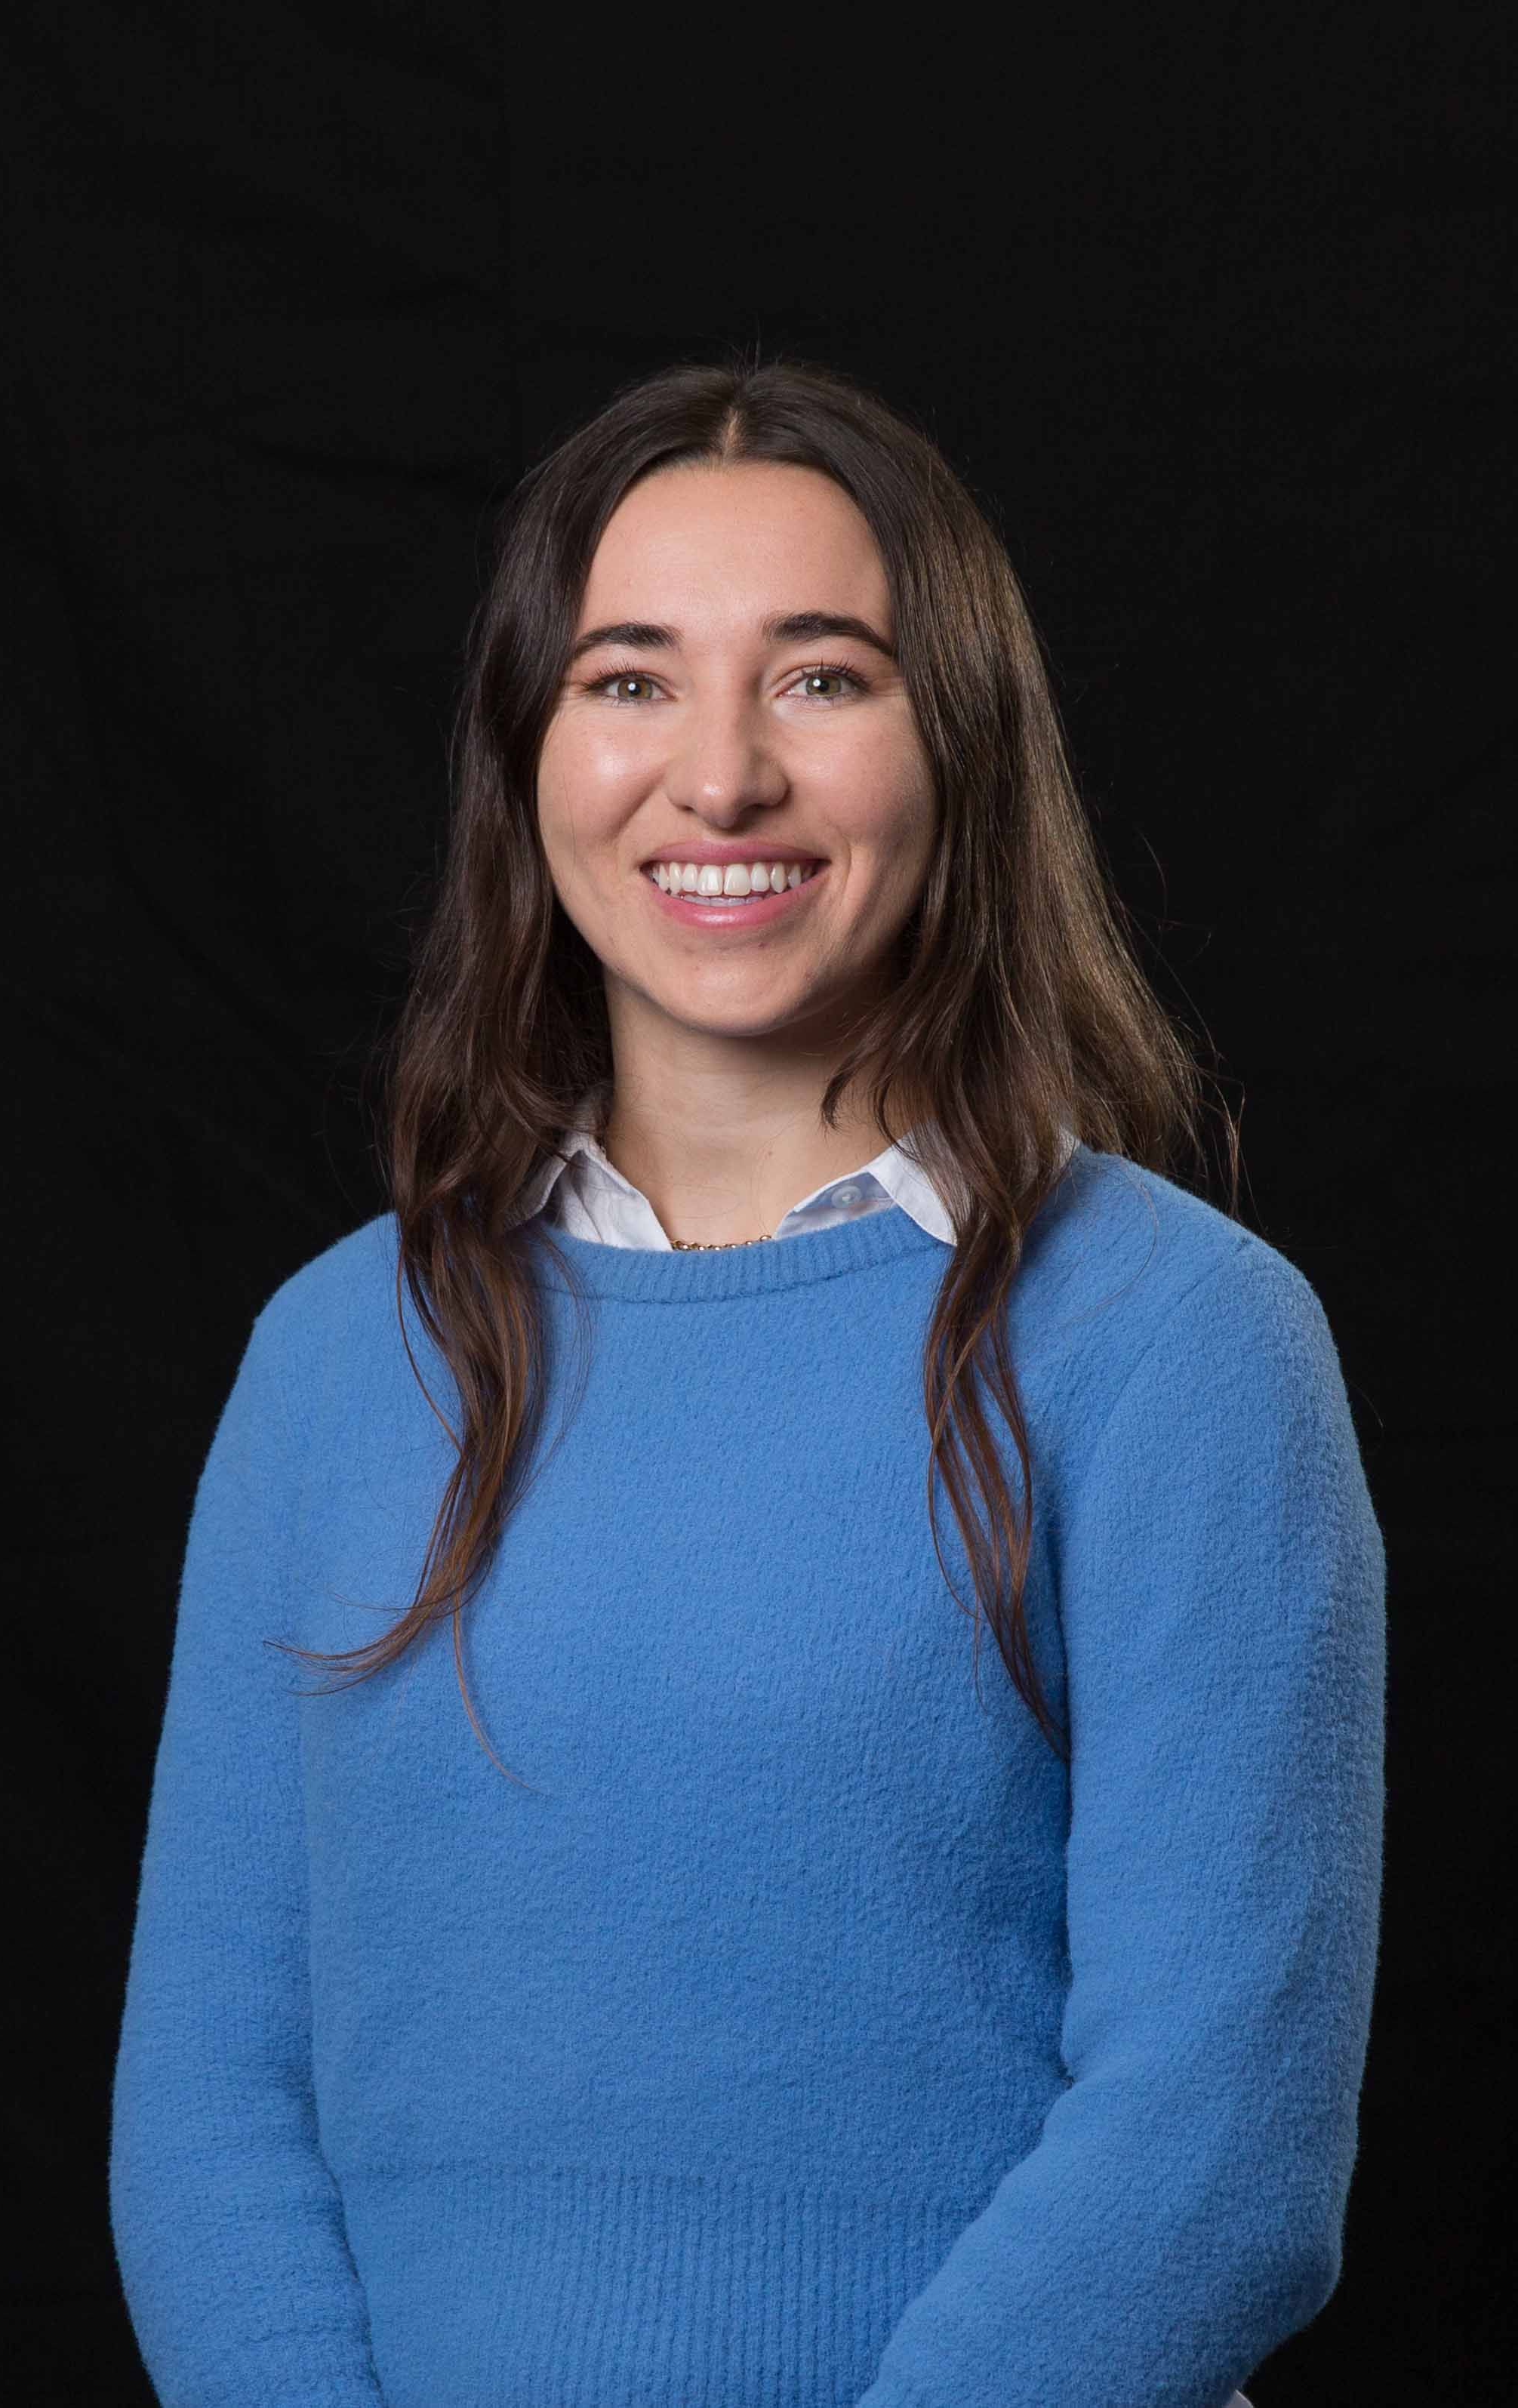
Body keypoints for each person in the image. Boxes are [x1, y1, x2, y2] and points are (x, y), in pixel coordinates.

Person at [109, 353, 1384, 2408]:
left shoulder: (1182, 1347)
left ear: (956, 747)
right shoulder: (335, 1358)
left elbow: (1218, 2147)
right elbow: (209, 2091)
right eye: (627, 679)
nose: (718, 778)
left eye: (821, 676)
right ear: (529, 751)